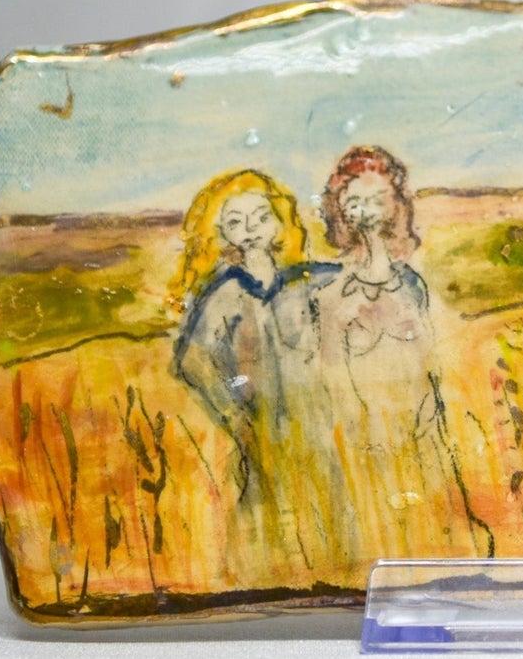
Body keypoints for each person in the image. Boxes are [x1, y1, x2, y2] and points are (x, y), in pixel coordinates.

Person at [169, 168, 341, 585]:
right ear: (220, 233)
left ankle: (331, 570)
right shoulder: (226, 293)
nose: (250, 229)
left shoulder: (304, 281)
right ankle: (264, 577)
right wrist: (233, 403)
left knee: (327, 491)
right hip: (260, 420)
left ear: (280, 221)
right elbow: (193, 361)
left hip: (314, 416)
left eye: (261, 217)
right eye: (235, 221)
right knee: (264, 497)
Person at [314, 146, 464, 575]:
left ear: (395, 205)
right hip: (367, 433)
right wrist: (359, 428)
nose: (366, 211)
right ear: (340, 210)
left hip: (420, 424)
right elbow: (333, 372)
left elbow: (432, 360)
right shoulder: (332, 296)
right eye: (354, 201)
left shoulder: (411, 285)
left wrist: (430, 415)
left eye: (377, 199)